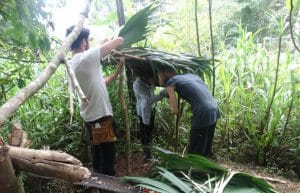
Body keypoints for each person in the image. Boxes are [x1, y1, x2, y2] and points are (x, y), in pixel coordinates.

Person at [66, 25, 124, 176]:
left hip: (89, 120)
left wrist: (117, 72)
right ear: (84, 41)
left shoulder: (71, 65)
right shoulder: (86, 58)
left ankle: (97, 185)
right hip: (102, 118)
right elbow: (119, 40)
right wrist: (111, 40)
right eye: (88, 40)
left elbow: (100, 83)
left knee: (98, 157)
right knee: (108, 162)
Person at [157, 66, 220, 157]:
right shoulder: (190, 76)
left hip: (202, 111)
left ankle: (194, 169)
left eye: (159, 74)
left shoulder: (171, 82)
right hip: (214, 108)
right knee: (205, 144)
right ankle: (205, 167)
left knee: (196, 147)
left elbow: (174, 110)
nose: (158, 77)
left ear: (166, 73)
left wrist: (168, 95)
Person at [133, 74, 167, 160]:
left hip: (151, 109)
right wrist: (162, 95)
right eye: (152, 77)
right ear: (145, 76)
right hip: (143, 111)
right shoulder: (137, 84)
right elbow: (147, 100)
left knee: (149, 131)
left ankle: (148, 152)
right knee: (145, 131)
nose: (153, 80)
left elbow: (156, 87)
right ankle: (147, 154)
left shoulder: (151, 82)